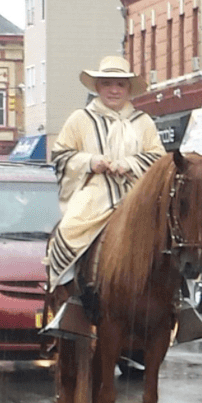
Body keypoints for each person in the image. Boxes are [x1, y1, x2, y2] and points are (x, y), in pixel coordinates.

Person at [42, 56, 168, 338]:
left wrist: (129, 164)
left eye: (120, 85)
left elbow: (158, 159)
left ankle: (178, 302)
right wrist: (91, 162)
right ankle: (69, 298)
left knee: (171, 239)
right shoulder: (80, 119)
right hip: (95, 191)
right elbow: (61, 156)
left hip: (136, 195)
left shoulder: (143, 122)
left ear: (128, 89)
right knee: (69, 230)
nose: (114, 90)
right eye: (108, 84)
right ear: (98, 86)